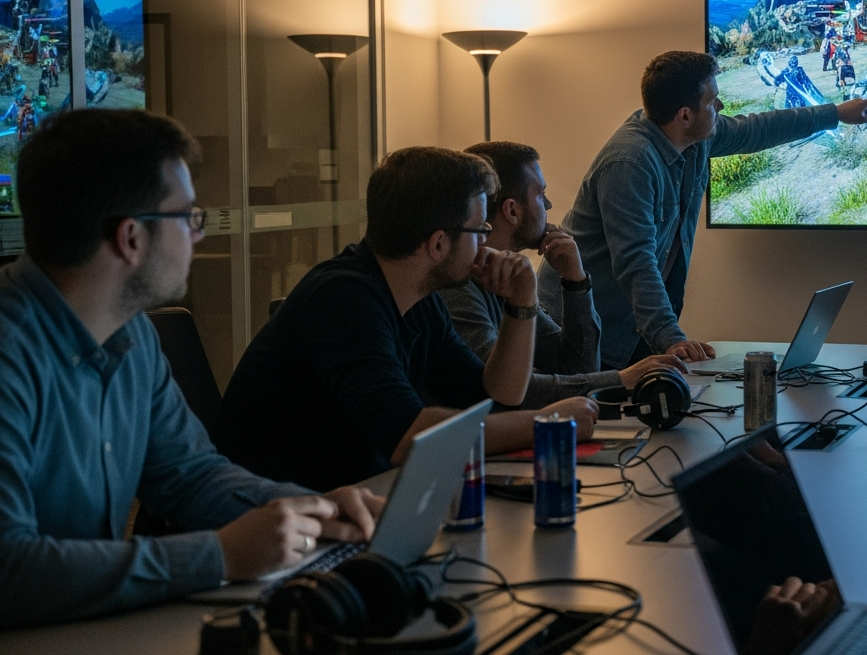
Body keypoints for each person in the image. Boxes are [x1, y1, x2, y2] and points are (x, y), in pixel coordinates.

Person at [0, 110, 384, 628]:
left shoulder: (132, 334)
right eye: (187, 217)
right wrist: (219, 556)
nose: (198, 235)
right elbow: (9, 570)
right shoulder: (10, 352)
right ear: (131, 238)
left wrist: (315, 510)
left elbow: (190, 476)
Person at [214, 147, 598, 492]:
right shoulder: (342, 299)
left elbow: (499, 395)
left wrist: (521, 303)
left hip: (353, 499)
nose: (486, 243)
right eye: (480, 230)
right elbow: (408, 436)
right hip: (274, 518)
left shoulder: (419, 300)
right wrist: (547, 422)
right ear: (438, 243)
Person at [540, 51, 867, 369]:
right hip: (583, 329)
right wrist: (672, 339)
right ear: (685, 115)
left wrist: (836, 114)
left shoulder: (693, 138)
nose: (720, 105)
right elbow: (636, 262)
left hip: (637, 323)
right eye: (711, 100)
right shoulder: (630, 164)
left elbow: (757, 129)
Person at [441, 141, 688, 407]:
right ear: (512, 210)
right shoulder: (457, 288)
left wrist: (576, 282)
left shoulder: (506, 275)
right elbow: (508, 392)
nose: (548, 204)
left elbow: (578, 367)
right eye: (541, 194)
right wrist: (621, 379)